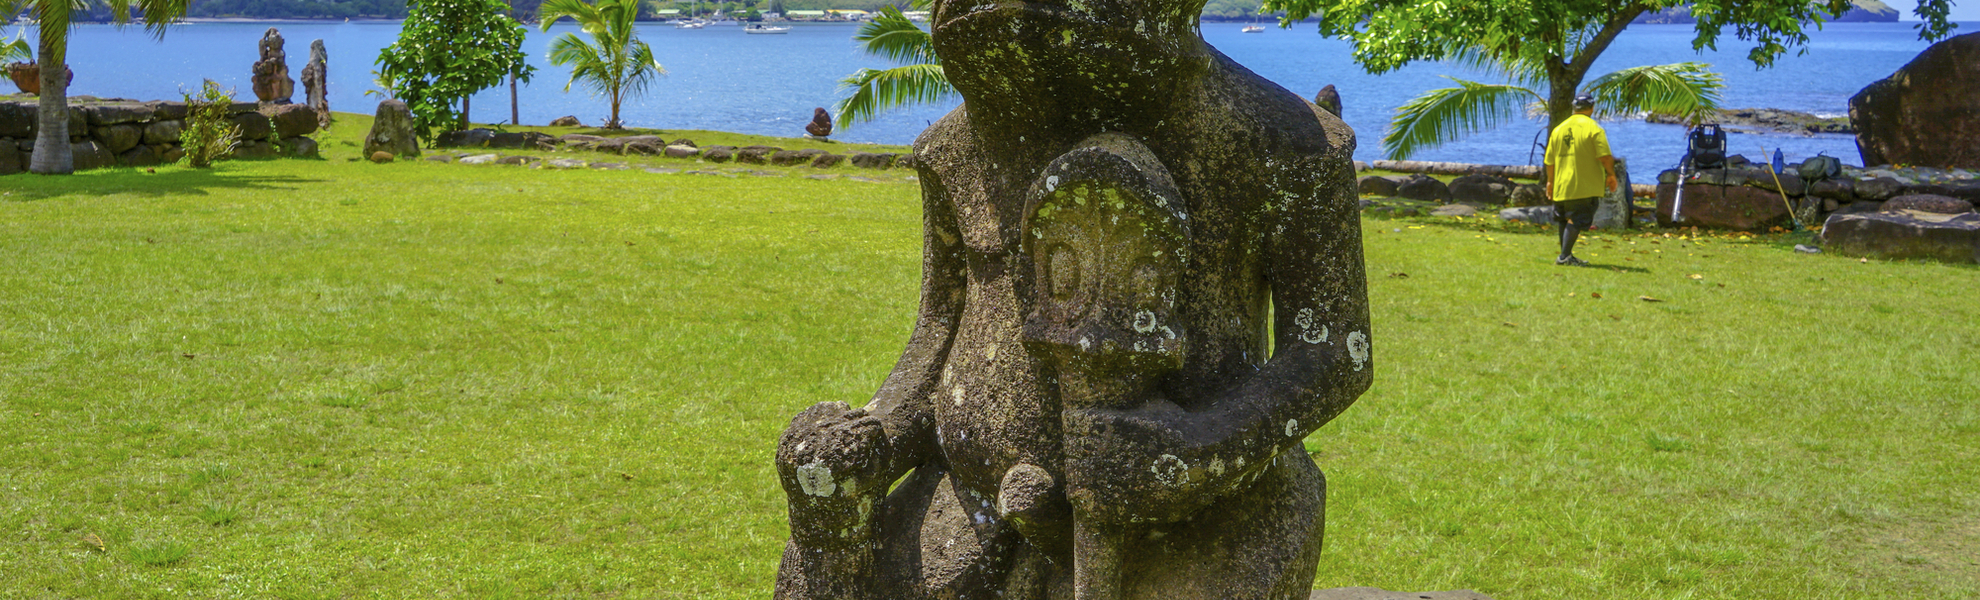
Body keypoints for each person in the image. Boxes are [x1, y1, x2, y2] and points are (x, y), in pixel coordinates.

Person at [1543, 94, 1619, 266]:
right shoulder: (1594, 128)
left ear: (1573, 108)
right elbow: (1605, 156)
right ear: (1592, 108)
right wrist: (1611, 174)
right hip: (1584, 185)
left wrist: (1550, 182)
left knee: (1564, 218)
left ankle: (1566, 255)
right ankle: (1564, 257)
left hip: (1562, 185)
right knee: (1577, 219)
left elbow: (1549, 161)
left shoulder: (1559, 129)